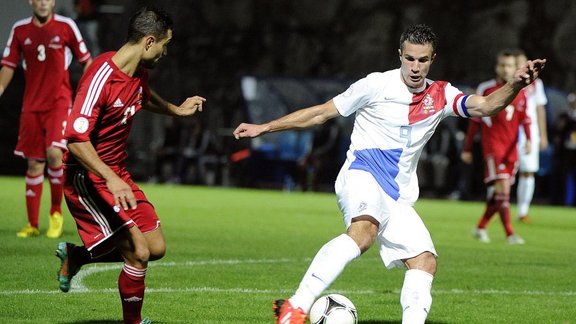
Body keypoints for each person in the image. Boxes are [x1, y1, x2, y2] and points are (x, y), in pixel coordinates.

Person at [233, 24, 545, 324]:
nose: (415, 67)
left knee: (425, 261)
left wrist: (516, 84)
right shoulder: (375, 85)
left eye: (422, 60)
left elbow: (487, 106)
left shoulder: (441, 94)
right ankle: (295, 308)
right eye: (409, 58)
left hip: (397, 195)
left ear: (432, 60)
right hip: (362, 174)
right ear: (399, 54)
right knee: (364, 231)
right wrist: (266, 127)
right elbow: (320, 112)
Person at [54, 7, 206, 324]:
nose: (165, 52)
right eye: (165, 45)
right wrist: (110, 179)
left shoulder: (137, 73)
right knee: (139, 250)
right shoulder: (100, 77)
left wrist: (176, 110)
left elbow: (143, 95)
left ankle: (78, 255)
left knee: (156, 246)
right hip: (87, 178)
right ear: (149, 41)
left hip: (115, 174)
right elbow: (75, 139)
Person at [0, 0, 92, 238]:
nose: (43, 2)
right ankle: (32, 224)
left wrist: (90, 94)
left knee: (54, 153)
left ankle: (55, 213)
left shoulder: (66, 26)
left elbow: (87, 61)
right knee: (33, 164)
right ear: (31, 1)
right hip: (31, 106)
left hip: (59, 103)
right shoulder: (20, 30)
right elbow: (8, 65)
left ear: (53, 2)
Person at [462, 49, 532, 245]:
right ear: (497, 67)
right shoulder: (486, 89)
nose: (505, 68)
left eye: (509, 65)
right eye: (502, 65)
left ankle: (481, 227)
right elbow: (474, 121)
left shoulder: (520, 92)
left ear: (514, 68)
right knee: (504, 191)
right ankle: (510, 234)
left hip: (512, 149)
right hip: (493, 148)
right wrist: (467, 148)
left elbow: (524, 119)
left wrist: (528, 139)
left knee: (499, 194)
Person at [514, 50, 549, 223]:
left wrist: (543, 135)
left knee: (527, 172)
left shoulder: (536, 84)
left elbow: (539, 109)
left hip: (530, 133)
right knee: (504, 174)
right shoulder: (509, 82)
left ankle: (523, 211)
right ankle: (499, 207)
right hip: (509, 132)